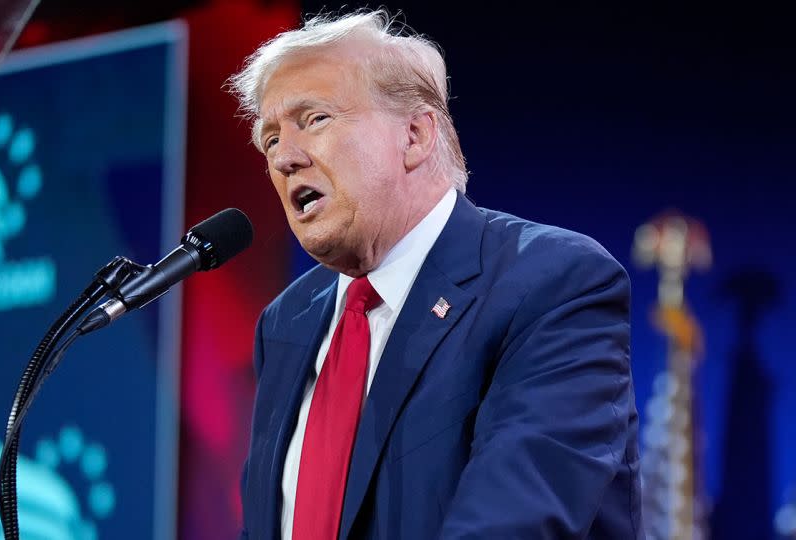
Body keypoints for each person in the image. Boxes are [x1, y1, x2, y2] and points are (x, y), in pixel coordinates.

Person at [228, 9, 641, 539]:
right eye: (269, 140)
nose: (284, 156)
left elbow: (515, 522)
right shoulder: (286, 322)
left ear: (416, 136)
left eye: (314, 119)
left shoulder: (552, 282)